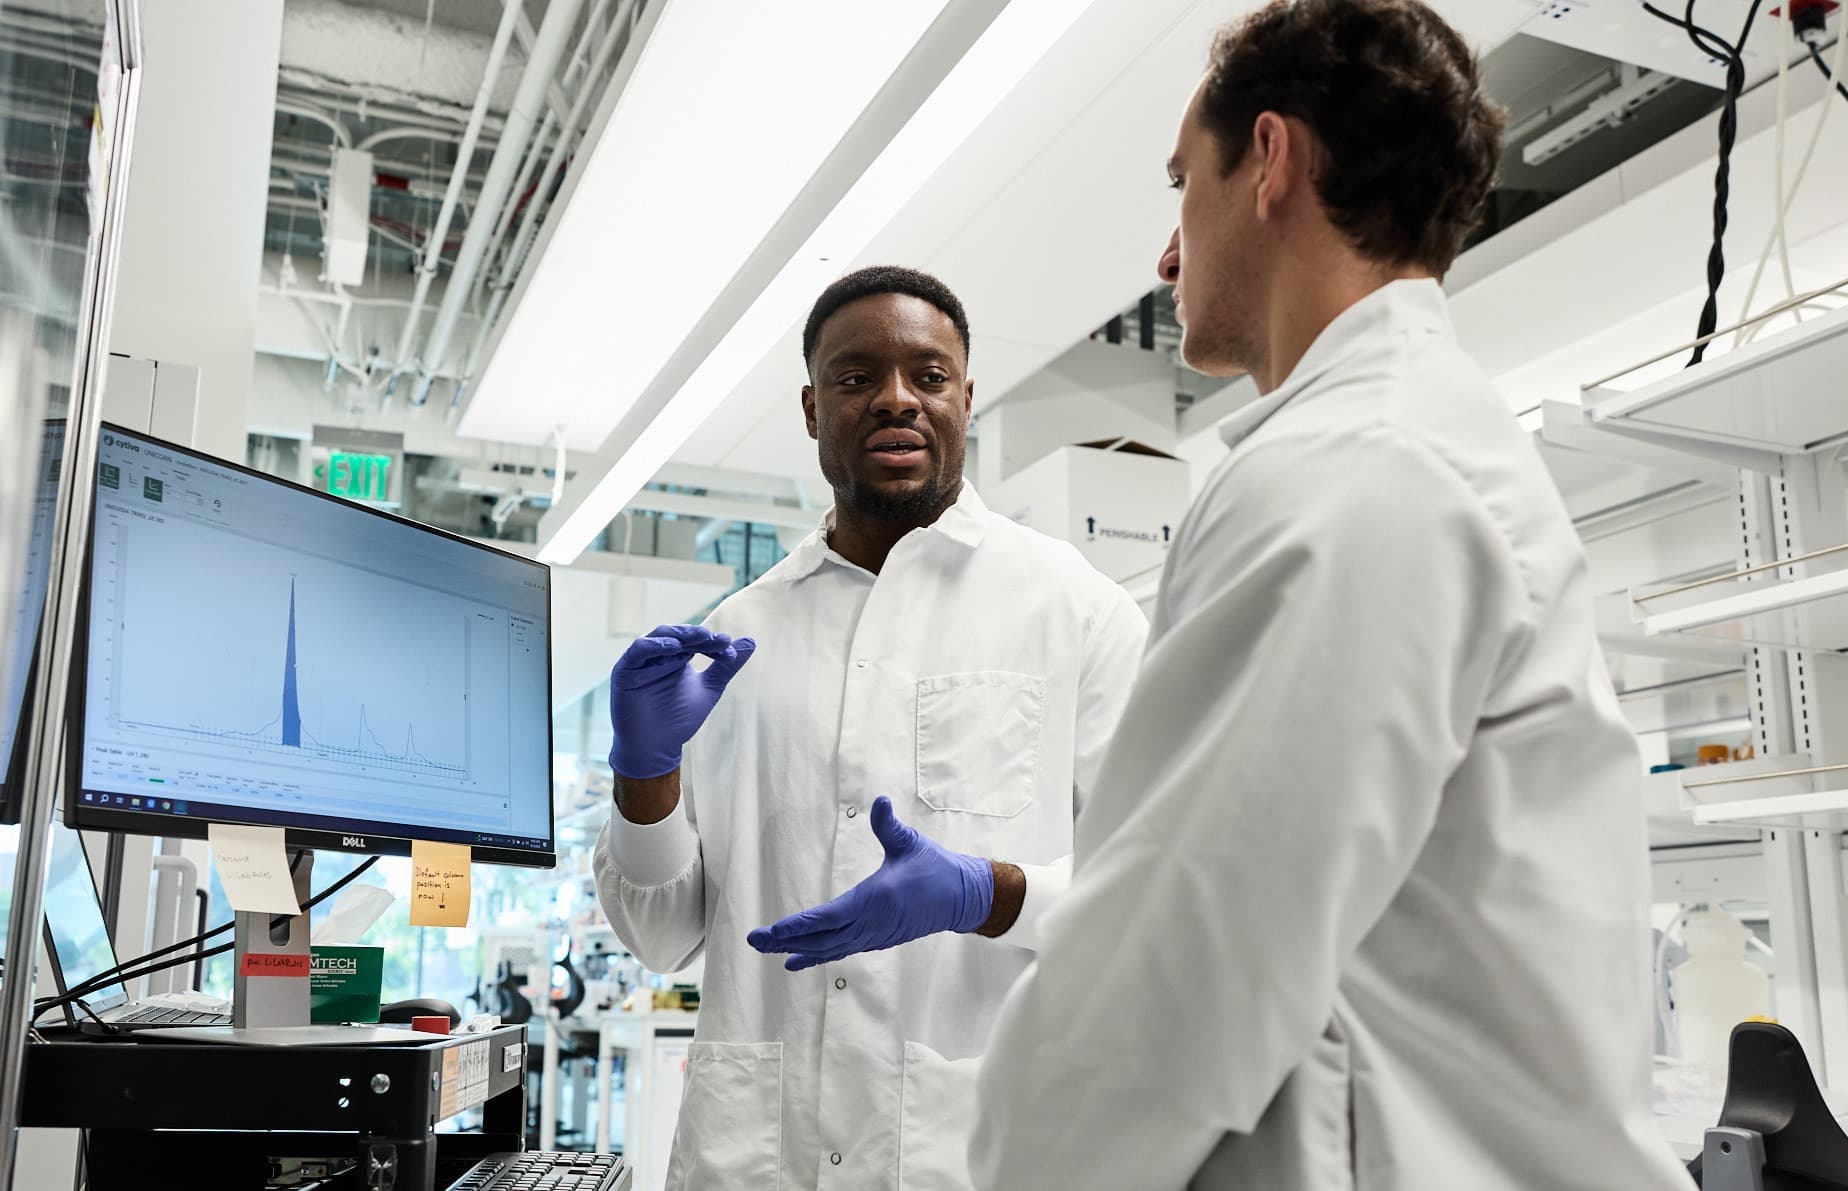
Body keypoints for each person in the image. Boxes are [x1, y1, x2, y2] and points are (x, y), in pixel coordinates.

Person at [970, 2, 1693, 1188]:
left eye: (1179, 185)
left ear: (1271, 161)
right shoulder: (1389, 444)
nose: (1166, 253)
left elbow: (1164, 992)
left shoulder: (1361, 472)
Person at [593, 265, 1148, 1190]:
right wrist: (643, 770)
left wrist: (988, 892)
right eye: (857, 378)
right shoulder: (738, 637)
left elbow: (1151, 891)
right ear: (813, 410)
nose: (897, 398)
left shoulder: (1078, 613)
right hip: (756, 1160)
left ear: (967, 397)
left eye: (929, 376)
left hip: (971, 1155)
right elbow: (661, 937)